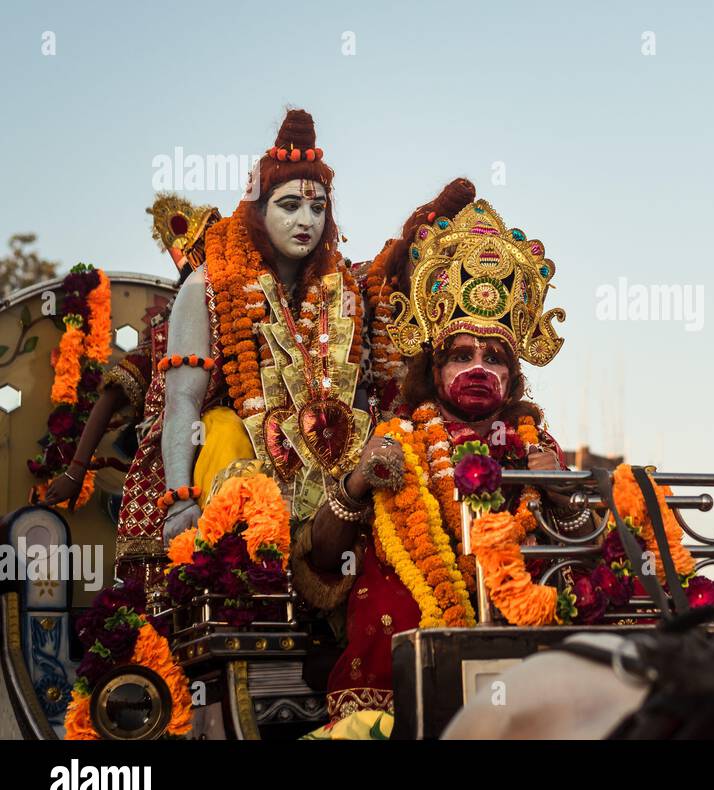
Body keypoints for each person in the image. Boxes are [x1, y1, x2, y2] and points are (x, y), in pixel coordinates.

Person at [292, 187, 588, 727]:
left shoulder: (537, 450)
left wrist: (564, 496)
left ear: (513, 375)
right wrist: (358, 484)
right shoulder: (396, 439)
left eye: (494, 357)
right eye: (462, 354)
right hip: (403, 678)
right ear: (434, 367)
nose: (479, 368)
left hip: (528, 673)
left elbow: (585, 564)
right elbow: (321, 565)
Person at [158, 109, 370, 545]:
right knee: (222, 428)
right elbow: (182, 399)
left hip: (326, 459)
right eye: (289, 206)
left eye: (317, 207)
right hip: (227, 458)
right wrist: (179, 499)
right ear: (258, 211)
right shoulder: (208, 286)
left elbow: (360, 389)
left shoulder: (341, 288)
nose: (306, 221)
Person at [40, 193, 220, 587]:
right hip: (166, 460)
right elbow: (112, 395)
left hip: (226, 455)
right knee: (162, 583)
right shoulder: (165, 329)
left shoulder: (245, 310)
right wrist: (75, 470)